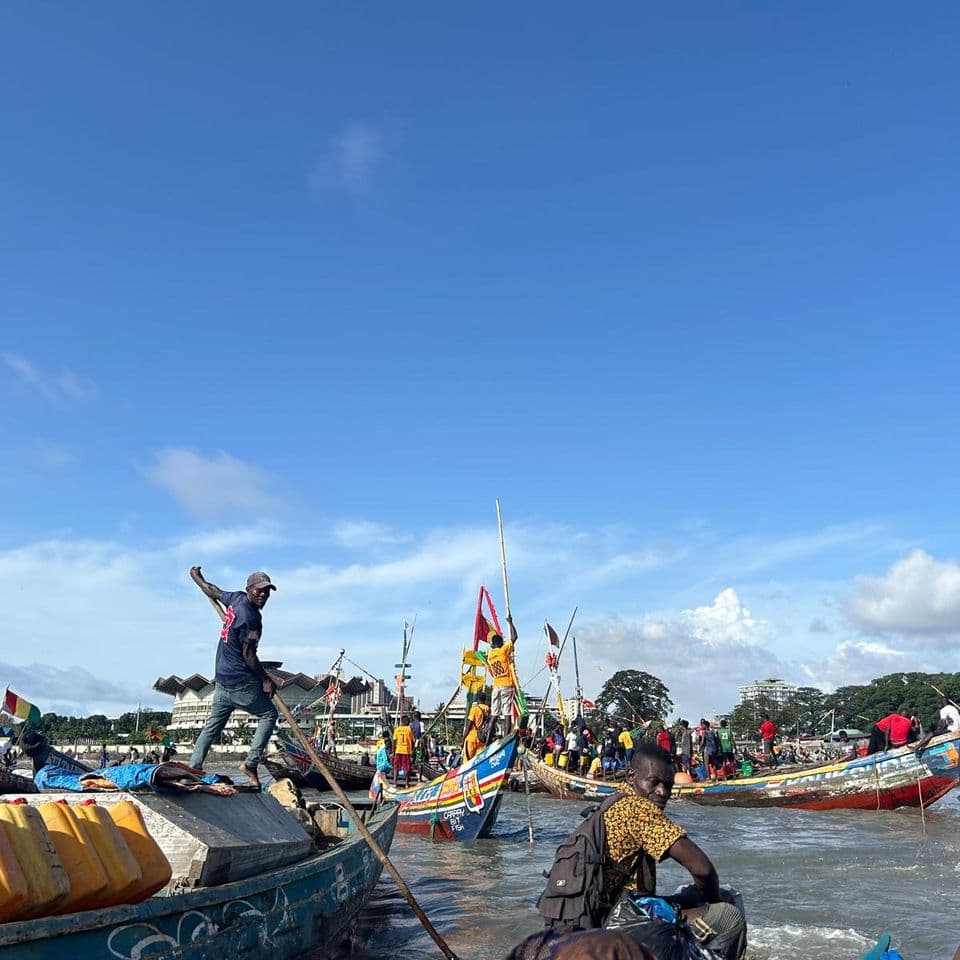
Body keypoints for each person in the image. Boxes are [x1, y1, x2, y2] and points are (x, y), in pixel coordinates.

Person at [550, 742, 746, 960]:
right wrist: (714, 901)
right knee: (728, 913)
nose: (662, 792)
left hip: (598, 919)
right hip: (617, 926)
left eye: (668, 785)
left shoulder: (612, 803)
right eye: (654, 782)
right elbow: (703, 869)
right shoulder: (638, 809)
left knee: (688, 893)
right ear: (632, 776)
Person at [188, 566, 279, 789]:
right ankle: (250, 763)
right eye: (259, 591)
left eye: (267, 592)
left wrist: (198, 578)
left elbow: (213, 590)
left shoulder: (236, 599)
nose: (263, 595)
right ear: (249, 589)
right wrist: (266, 680)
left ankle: (194, 767)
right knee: (269, 714)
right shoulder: (252, 619)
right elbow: (249, 656)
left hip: (222, 679)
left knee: (212, 727)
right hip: (240, 682)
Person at [487, 615, 518, 736]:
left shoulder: (490, 656)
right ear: (500, 643)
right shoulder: (503, 650)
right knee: (507, 713)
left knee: (494, 715)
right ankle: (506, 738)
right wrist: (510, 622)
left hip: (496, 686)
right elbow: (515, 637)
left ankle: (488, 740)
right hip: (506, 684)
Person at [462, 691, 490, 762]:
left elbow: (469, 726)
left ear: (477, 699)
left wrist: (463, 739)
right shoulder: (488, 709)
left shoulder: (474, 709)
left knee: (467, 762)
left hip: (471, 738)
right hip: (482, 738)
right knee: (478, 761)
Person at [392, 715, 414, 782]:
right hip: (406, 751)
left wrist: (393, 751)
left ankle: (395, 782)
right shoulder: (409, 729)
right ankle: (407, 783)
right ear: (407, 722)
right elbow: (412, 740)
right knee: (406, 767)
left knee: (396, 766)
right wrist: (412, 750)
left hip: (398, 750)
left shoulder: (397, 729)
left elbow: (394, 741)